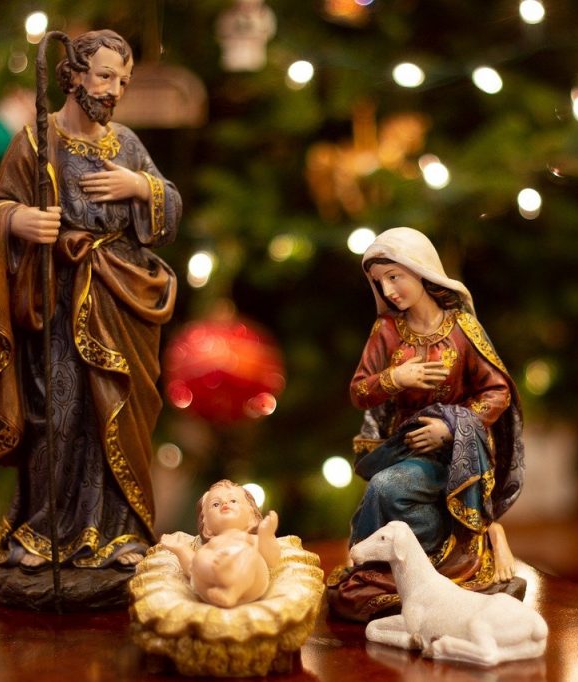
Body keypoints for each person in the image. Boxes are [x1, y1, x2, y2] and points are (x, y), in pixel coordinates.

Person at [0, 29, 180, 574]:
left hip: (121, 297)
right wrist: (19, 220)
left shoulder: (126, 143)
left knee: (120, 410)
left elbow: (170, 205)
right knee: (58, 416)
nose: (114, 90)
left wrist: (140, 188)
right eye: (105, 76)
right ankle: (45, 534)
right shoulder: (35, 141)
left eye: (123, 81)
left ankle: (120, 532)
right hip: (57, 304)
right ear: (74, 75)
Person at [327, 226, 525, 621]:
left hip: (455, 454)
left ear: (420, 270)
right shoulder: (386, 332)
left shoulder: (463, 329)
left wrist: (451, 428)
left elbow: (498, 391)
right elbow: (359, 391)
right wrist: (395, 378)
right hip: (403, 446)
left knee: (387, 489)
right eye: (380, 282)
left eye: (395, 277)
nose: (389, 291)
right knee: (387, 490)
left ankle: (415, 563)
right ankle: (405, 564)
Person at [160, 480, 280, 608]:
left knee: (249, 553)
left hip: (249, 585)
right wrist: (180, 549)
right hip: (211, 586)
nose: (224, 503)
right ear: (206, 524)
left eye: (233, 501)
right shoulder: (211, 546)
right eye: (215, 504)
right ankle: (221, 577)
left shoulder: (250, 540)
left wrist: (267, 535)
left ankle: (232, 590)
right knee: (201, 557)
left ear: (252, 517)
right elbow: (191, 568)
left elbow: (271, 560)